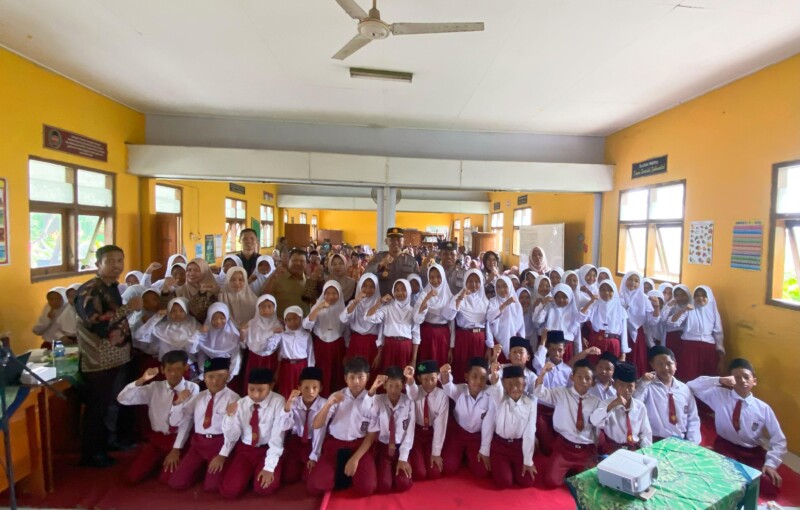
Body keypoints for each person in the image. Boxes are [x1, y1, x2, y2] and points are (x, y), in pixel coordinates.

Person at [687, 358, 786, 494]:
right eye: (737, 377)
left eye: (746, 377)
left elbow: (778, 439)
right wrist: (719, 380)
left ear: (754, 381)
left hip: (752, 452)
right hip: (726, 446)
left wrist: (771, 464)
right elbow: (691, 386)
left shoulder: (763, 408)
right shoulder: (719, 395)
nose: (742, 381)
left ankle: (717, 457)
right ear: (731, 380)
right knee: (725, 477)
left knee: (770, 486)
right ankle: (717, 455)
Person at [74, 245, 132, 468]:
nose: (117, 265)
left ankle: (108, 443)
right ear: (98, 264)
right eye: (110, 261)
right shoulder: (90, 290)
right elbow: (96, 323)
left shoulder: (112, 287)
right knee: (97, 407)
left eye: (120, 260)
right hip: (99, 359)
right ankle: (91, 454)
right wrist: (128, 309)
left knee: (112, 404)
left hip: (118, 356)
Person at [117, 350, 200, 484]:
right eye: (169, 370)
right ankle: (157, 460)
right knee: (132, 477)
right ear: (162, 369)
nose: (173, 374)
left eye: (178, 369)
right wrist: (142, 380)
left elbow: (187, 422)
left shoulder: (192, 388)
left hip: (179, 439)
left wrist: (176, 449)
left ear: (186, 368)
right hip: (158, 438)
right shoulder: (154, 387)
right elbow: (123, 399)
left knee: (167, 479)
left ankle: (172, 462)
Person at [308, 356, 378, 497]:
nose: (356, 382)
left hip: (358, 445)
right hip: (335, 445)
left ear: (368, 377)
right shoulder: (338, 396)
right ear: (345, 378)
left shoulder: (373, 400)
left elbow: (371, 435)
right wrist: (328, 404)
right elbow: (316, 425)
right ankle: (342, 472)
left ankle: (353, 470)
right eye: (352, 377)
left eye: (360, 377)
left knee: (367, 487)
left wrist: (355, 459)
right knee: (315, 486)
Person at [168, 357, 239, 492]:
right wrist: (177, 404)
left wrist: (222, 455)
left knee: (212, 487)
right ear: (204, 378)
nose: (215, 381)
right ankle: (199, 470)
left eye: (220, 376)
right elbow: (177, 422)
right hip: (198, 444)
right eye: (210, 376)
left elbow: (234, 432)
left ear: (228, 376)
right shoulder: (198, 397)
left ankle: (213, 470)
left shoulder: (234, 399)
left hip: (219, 444)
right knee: (176, 483)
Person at [218, 368, 286, 498]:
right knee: (229, 491)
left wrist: (269, 468)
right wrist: (230, 417)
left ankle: (259, 472)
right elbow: (232, 436)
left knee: (264, 489)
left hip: (267, 449)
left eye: (261, 390)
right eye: (251, 389)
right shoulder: (241, 403)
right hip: (246, 450)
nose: (255, 394)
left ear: (271, 386)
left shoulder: (279, 402)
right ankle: (247, 474)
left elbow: (277, 437)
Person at [535, 359, 602, 488]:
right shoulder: (561, 393)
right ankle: (569, 470)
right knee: (551, 481)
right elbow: (539, 393)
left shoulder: (596, 402)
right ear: (572, 377)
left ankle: (574, 470)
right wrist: (542, 374)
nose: (583, 381)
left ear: (593, 382)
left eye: (587, 378)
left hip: (586, 449)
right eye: (579, 377)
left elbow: (600, 425)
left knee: (592, 484)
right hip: (564, 447)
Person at [481, 364, 538, 489]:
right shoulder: (499, 399)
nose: (515, 388)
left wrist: (528, 461)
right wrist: (495, 376)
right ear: (503, 385)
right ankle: (502, 466)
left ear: (524, 384)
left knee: (527, 481)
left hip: (518, 446)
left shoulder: (530, 404)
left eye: (518, 384)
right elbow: (496, 389)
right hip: (500, 446)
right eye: (510, 384)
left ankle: (515, 466)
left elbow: (529, 432)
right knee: (504, 482)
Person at [634, 346, 701, 443]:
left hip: (681, 441)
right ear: (652, 365)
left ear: (675, 365)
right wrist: (642, 384)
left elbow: (693, 418)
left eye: (669, 364)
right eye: (660, 364)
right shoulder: (647, 386)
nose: (665, 368)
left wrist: (693, 443)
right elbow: (635, 405)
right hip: (655, 441)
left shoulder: (684, 389)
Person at [440, 358, 492, 478]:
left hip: (476, 437)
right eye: (474, 376)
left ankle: (468, 455)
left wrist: (484, 450)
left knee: (482, 471)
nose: (478, 381)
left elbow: (489, 425)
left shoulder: (490, 394)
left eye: (483, 378)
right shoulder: (460, 390)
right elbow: (448, 387)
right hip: (458, 434)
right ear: (467, 377)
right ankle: (460, 454)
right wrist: (444, 373)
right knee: (449, 468)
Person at [590, 362, 652, 455]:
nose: (626, 390)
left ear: (635, 386)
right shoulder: (606, 404)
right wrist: (611, 406)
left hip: (633, 449)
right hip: (612, 451)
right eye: (621, 385)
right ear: (614, 384)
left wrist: (644, 452)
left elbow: (646, 433)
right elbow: (594, 421)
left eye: (630, 386)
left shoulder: (640, 406)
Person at [369, 367, 415, 494]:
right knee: (384, 486)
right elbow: (365, 408)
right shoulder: (378, 400)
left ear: (403, 385)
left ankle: (400, 466)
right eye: (390, 385)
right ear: (384, 385)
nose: (393, 390)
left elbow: (410, 432)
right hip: (384, 448)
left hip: (401, 447)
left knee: (403, 484)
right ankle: (386, 469)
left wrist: (403, 457)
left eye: (397, 386)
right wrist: (373, 387)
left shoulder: (409, 402)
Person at [281, 367, 327, 486]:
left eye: (315, 388)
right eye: (306, 387)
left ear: (321, 388)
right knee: (288, 477)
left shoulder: (324, 405)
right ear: (299, 388)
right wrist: (288, 404)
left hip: (313, 442)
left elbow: (320, 432)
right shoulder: (294, 402)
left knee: (309, 478)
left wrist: (314, 456)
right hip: (296, 441)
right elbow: (284, 426)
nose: (310, 391)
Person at [404, 361, 448, 482]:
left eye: (433, 379)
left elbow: (441, 424)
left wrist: (436, 453)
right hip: (416, 434)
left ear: (438, 377)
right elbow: (412, 393)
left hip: (431, 434)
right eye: (425, 379)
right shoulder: (415, 391)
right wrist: (410, 380)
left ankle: (429, 454)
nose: (429, 383)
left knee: (435, 472)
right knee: (420, 473)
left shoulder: (442, 395)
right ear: (419, 378)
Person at [669, 285, 725, 380]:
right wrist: (683, 310)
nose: (700, 298)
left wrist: (721, 360)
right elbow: (673, 323)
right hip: (689, 348)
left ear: (709, 297)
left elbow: (719, 334)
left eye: (704, 295)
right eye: (697, 295)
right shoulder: (689, 309)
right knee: (688, 377)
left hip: (708, 350)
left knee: (708, 379)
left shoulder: (713, 312)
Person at [532, 330, 573, 456]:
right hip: (542, 412)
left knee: (562, 441)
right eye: (553, 349)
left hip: (559, 411)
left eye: (559, 350)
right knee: (547, 443)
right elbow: (537, 360)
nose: (556, 353)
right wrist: (543, 341)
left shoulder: (568, 371)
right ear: (548, 349)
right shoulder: (542, 364)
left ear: (564, 350)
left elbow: (569, 393)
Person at [366, 279, 420, 372]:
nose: (399, 293)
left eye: (403, 290)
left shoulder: (412, 311)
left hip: (405, 347)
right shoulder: (387, 309)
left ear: (408, 291)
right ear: (393, 292)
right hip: (389, 346)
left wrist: (414, 359)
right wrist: (380, 302)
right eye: (397, 290)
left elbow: (416, 336)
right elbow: (369, 317)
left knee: (404, 375)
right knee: (388, 374)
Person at [446, 269, 489, 383]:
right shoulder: (458, 297)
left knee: (478, 370)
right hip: (463, 338)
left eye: (477, 281)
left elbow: (488, 325)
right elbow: (450, 317)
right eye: (470, 281)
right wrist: (461, 297)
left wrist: (489, 347)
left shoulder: (485, 301)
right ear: (465, 282)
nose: (473, 284)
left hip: (480, 340)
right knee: (463, 367)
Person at [305, 281, 346, 396]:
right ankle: (321, 398)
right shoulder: (317, 307)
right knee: (322, 372)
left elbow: (346, 331)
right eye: (327, 293)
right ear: (323, 294)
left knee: (336, 373)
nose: (331, 297)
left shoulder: (343, 309)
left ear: (339, 294)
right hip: (321, 346)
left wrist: (347, 350)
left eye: (334, 293)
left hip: (338, 347)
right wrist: (318, 308)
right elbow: (306, 325)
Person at [414, 264, 454, 368]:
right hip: (426, 334)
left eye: (438, 277)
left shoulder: (449, 296)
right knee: (424, 365)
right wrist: (427, 298)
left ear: (443, 277)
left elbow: (452, 324)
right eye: (432, 277)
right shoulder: (424, 293)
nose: (435, 280)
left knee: (440, 364)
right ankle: (422, 378)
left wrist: (451, 347)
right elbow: (417, 317)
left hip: (442, 336)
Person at [135, 297, 199, 362]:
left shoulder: (195, 326)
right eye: (173, 311)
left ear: (187, 311)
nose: (177, 314)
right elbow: (140, 335)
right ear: (169, 312)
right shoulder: (163, 327)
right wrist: (156, 318)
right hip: (166, 364)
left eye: (181, 311)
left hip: (187, 364)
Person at [193, 302, 242, 382]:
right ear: (209, 319)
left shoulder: (233, 335)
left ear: (227, 317)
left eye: (222, 318)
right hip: (209, 368)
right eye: (214, 319)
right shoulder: (205, 334)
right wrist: (203, 371)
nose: (218, 321)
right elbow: (201, 355)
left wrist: (232, 373)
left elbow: (236, 357)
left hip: (227, 368)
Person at [585, 280, 629, 366]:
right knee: (594, 367)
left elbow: (624, 333)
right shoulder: (594, 306)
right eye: (603, 290)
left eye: (610, 290)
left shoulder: (621, 310)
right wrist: (590, 302)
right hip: (596, 342)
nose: (606, 293)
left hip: (613, 343)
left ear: (614, 292)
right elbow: (581, 318)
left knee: (611, 369)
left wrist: (623, 353)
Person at [365, 228, 420, 297]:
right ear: (386, 241)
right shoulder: (378, 258)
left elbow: (417, 282)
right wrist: (379, 265)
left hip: (403, 300)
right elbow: (365, 275)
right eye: (392, 239)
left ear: (403, 241)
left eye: (398, 239)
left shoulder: (410, 260)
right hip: (383, 300)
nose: (396, 242)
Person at [619, 271, 653, 377]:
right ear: (624, 280)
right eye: (630, 279)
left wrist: (656, 308)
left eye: (636, 281)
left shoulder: (644, 298)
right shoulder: (618, 296)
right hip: (620, 332)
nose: (633, 283)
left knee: (637, 359)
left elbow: (651, 320)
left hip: (638, 333)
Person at [486, 276, 525, 363]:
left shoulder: (517, 304)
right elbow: (490, 318)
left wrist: (522, 343)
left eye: (504, 286)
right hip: (497, 342)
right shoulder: (493, 301)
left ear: (510, 286)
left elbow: (521, 326)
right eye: (498, 287)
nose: (502, 289)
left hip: (515, 343)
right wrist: (505, 304)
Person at [263, 248, 309, 317]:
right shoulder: (276, 278)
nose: (298, 263)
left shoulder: (309, 281)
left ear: (306, 264)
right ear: (288, 261)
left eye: (302, 261)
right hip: (281, 322)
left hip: (304, 322)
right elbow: (264, 298)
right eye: (294, 260)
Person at [243, 295, 282, 379]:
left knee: (267, 381)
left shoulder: (278, 325)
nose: (266, 310)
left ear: (275, 308)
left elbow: (275, 346)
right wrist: (271, 332)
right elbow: (246, 343)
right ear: (258, 308)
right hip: (254, 358)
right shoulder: (251, 323)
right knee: (253, 381)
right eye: (263, 307)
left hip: (270, 358)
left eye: (269, 306)